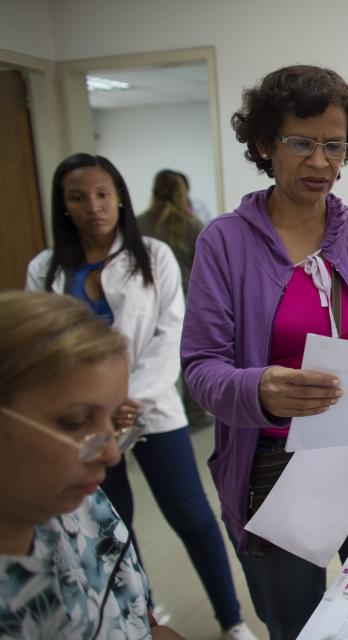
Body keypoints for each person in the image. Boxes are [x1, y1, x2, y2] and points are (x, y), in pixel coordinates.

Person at [180, 65, 348, 640]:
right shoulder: (224, 242)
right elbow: (200, 368)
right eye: (301, 143)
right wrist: (259, 389)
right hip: (273, 468)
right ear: (263, 145)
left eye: (335, 145)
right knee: (297, 626)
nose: (321, 163)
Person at [26, 154, 256, 640]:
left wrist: (127, 399)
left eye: (103, 194)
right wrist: (97, 411)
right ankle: (142, 621)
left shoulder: (153, 255)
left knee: (193, 518)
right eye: (78, 197)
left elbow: (173, 334)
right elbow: (42, 348)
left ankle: (231, 620)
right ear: (63, 206)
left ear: (121, 198)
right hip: (82, 424)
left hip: (150, 412)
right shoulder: (45, 269)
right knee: (113, 528)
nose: (93, 206)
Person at [0, 290, 183, 639]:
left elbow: (135, 613)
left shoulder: (83, 505)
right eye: (75, 422)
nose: (113, 455)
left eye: (114, 421)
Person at [138, 168, 210, 430]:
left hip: (150, 303)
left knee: (155, 357)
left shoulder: (137, 224)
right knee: (189, 356)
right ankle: (195, 414)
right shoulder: (191, 225)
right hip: (189, 299)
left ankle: (151, 409)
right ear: (184, 193)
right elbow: (206, 267)